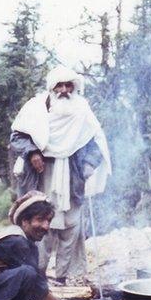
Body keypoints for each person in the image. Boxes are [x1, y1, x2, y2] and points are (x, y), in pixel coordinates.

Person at [10, 65, 111, 284]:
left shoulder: (82, 110)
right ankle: (37, 276)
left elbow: (97, 142)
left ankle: (62, 277)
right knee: (41, 226)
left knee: (71, 227)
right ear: (51, 87)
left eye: (68, 85)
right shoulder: (35, 108)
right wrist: (33, 152)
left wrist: (90, 164)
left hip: (72, 178)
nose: (64, 90)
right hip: (41, 176)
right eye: (59, 85)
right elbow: (17, 137)